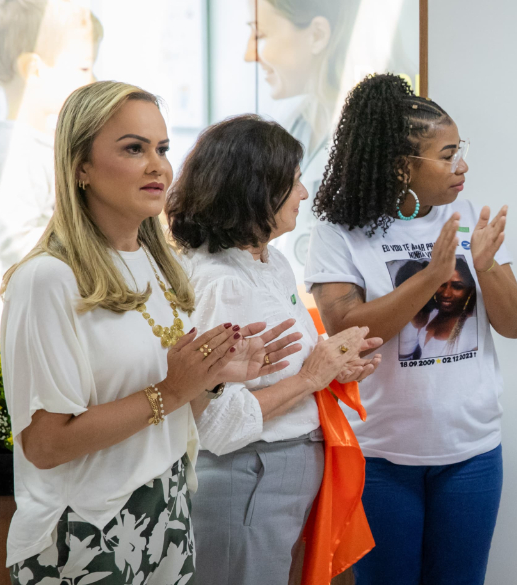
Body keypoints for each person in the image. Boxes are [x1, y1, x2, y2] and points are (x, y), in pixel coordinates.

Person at [0, 81, 294, 584]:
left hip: (168, 510)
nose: (158, 165)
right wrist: (172, 389)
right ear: (81, 168)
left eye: (161, 149)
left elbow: (175, 407)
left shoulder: (162, 268)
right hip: (84, 529)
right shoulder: (47, 279)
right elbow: (46, 445)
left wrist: (211, 377)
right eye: (133, 148)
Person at [307, 73, 517, 585]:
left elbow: (514, 324)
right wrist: (432, 276)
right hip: (382, 454)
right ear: (401, 166)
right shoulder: (341, 232)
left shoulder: (468, 215)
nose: (462, 166)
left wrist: (487, 266)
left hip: (471, 451)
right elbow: (347, 331)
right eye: (448, 155)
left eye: (461, 151)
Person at [164, 114, 382, 585]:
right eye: (295, 182)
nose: (304, 194)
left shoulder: (271, 261)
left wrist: (332, 363)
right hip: (248, 479)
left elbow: (273, 367)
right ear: (257, 190)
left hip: (277, 477)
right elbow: (214, 424)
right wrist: (310, 378)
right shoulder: (218, 282)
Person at [0, 0, 102, 327]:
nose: (92, 78)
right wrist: (94, 240)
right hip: (26, 318)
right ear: (34, 69)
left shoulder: (45, 143)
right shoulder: (15, 149)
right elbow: (15, 242)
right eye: (84, 67)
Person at [244, 0, 360, 281]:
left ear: (317, 35)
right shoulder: (292, 121)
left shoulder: (367, 137)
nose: (249, 54)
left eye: (260, 34)